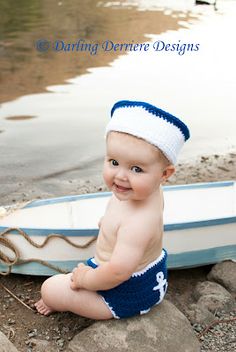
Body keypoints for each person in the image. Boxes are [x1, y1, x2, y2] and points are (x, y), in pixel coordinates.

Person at [35, 100, 190, 320]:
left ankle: (63, 300)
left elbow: (118, 272)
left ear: (164, 174)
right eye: (114, 162)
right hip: (144, 276)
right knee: (69, 281)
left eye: (136, 168)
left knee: (50, 289)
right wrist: (108, 223)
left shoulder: (138, 223)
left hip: (127, 291)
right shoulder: (147, 190)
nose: (120, 176)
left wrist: (85, 279)